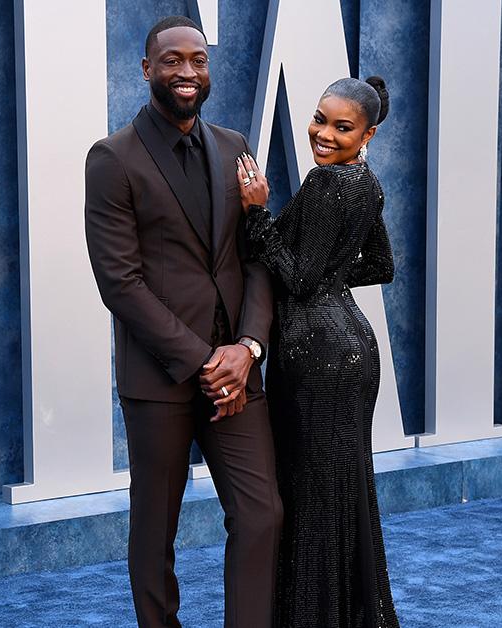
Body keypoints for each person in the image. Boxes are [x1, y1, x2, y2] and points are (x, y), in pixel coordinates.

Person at [84, 16, 283, 628]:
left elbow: (257, 256)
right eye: (172, 61)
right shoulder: (112, 158)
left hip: (236, 375)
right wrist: (204, 361)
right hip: (162, 378)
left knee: (262, 514)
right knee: (155, 532)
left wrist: (246, 349)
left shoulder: (234, 147)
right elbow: (120, 282)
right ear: (147, 70)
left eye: (197, 60)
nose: (187, 72)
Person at [236, 76, 401, 628]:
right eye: (319, 118)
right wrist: (330, 274)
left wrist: (258, 214)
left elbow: (299, 279)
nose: (323, 133)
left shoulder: (326, 184)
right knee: (340, 489)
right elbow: (379, 265)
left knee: (311, 499)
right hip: (351, 347)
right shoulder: (366, 184)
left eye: (342, 127)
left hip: (317, 358)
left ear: (368, 133)